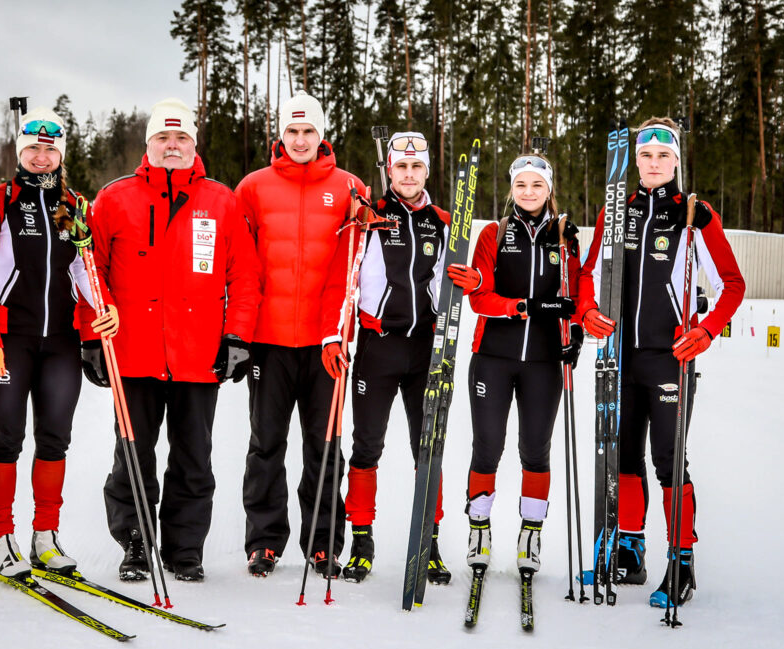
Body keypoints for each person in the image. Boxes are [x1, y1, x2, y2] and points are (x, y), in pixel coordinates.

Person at [86, 98, 260, 582]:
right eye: (163, 138)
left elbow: (244, 276)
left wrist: (238, 337)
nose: (172, 146)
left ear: (193, 144)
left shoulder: (222, 201)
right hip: (133, 352)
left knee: (192, 459)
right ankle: (136, 543)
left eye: (181, 138)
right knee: (132, 456)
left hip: (197, 355)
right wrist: (89, 337)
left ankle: (185, 549)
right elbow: (90, 272)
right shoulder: (115, 198)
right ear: (148, 144)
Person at [577, 117, 744, 607]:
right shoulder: (618, 210)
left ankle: (682, 562)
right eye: (645, 156)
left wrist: (706, 329)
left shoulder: (694, 214)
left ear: (676, 160)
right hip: (620, 357)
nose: (653, 164)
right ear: (635, 160)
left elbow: (732, 284)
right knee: (624, 457)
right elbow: (588, 272)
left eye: (662, 156)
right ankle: (630, 551)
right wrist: (587, 311)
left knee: (668, 460)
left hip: (670, 358)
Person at [0, 107, 117, 578]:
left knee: (55, 438)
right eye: (34, 149)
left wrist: (102, 308)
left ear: (61, 154)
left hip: (59, 339)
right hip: (9, 339)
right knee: (7, 437)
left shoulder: (73, 205)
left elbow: (84, 269)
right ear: (21, 151)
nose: (42, 157)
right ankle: (1, 534)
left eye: (50, 149)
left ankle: (45, 535)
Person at [236, 91, 367, 578]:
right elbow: (240, 265)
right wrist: (239, 332)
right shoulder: (252, 187)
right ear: (280, 135)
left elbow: (356, 270)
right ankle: (264, 542)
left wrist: (341, 332)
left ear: (321, 134)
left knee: (324, 443)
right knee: (265, 443)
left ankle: (322, 542)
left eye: (308, 131)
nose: (300, 140)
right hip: (268, 341)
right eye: (291, 131)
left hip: (324, 342)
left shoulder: (350, 187)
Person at [448, 153, 583, 581]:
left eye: (537, 185)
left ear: (549, 190)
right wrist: (523, 307)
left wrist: (576, 331)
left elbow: (578, 297)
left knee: (535, 451)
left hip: (544, 363)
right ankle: (479, 530)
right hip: (493, 358)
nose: (528, 192)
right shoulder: (494, 233)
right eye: (521, 185)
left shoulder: (566, 238)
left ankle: (531, 534)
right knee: (487, 446)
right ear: (512, 189)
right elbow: (479, 297)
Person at [341, 131, 467, 584]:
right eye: (400, 167)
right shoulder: (370, 216)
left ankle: (428, 542)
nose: (408, 174)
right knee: (366, 445)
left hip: (425, 349)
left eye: (416, 167)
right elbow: (348, 278)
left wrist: (463, 282)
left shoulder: (443, 221)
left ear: (426, 171)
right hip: (377, 347)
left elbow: (448, 285)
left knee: (426, 447)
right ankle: (361, 539)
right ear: (389, 170)